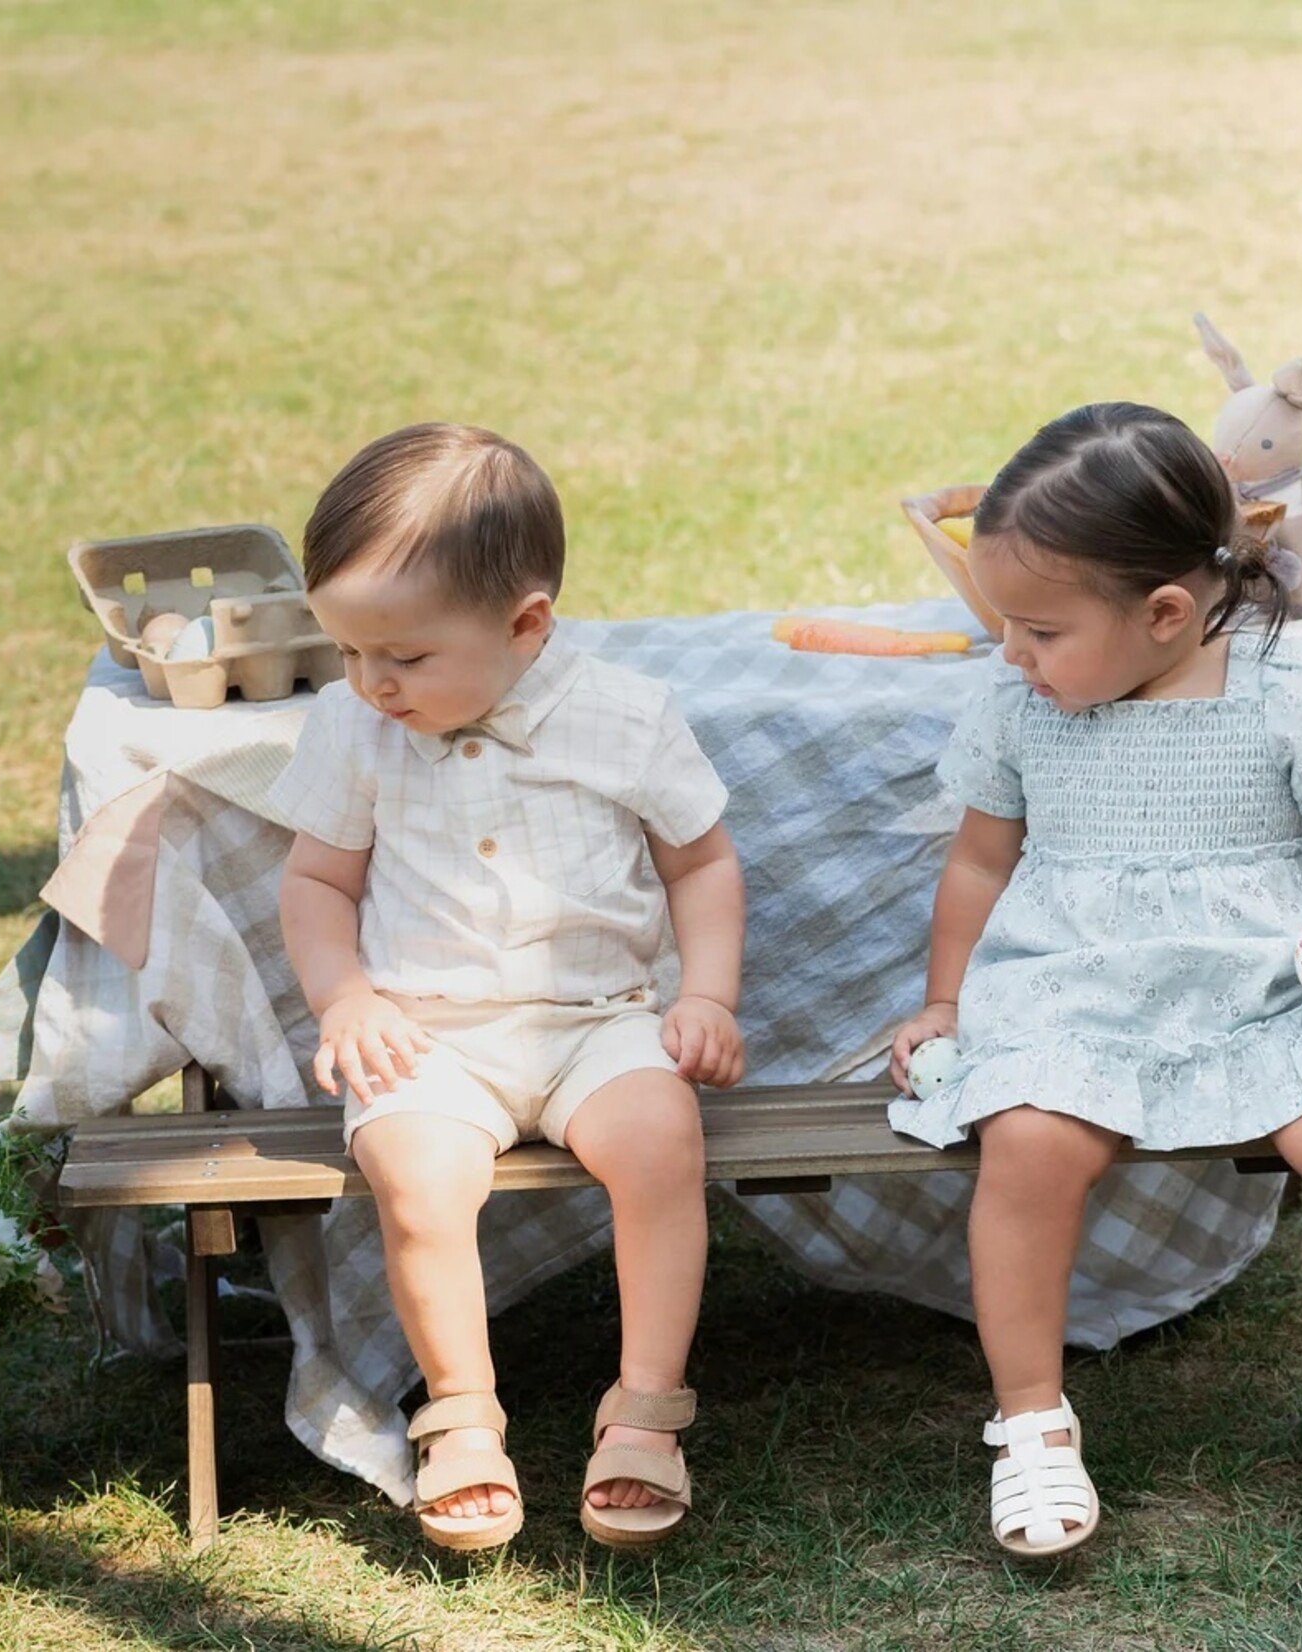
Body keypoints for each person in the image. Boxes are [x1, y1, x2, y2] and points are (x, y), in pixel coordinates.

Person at [889, 403, 1302, 1557]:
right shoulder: (1019, 706)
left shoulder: (1279, 692)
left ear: (1164, 615)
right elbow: (979, 862)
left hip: (1263, 987)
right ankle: (1031, 1417)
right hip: (1075, 989)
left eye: (1037, 629)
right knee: (1028, 1142)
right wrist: (946, 1001)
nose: (1011, 653)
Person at [271, 423, 746, 1551]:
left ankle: (644, 1404)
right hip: (431, 1034)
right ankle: (462, 1411)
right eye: (346, 651)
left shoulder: (622, 715)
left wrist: (709, 993)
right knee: (416, 1170)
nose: (371, 682)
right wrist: (345, 996)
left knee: (658, 1138)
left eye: (405, 656)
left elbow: (702, 861)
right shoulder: (353, 727)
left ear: (525, 623)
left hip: (598, 1021)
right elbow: (315, 882)